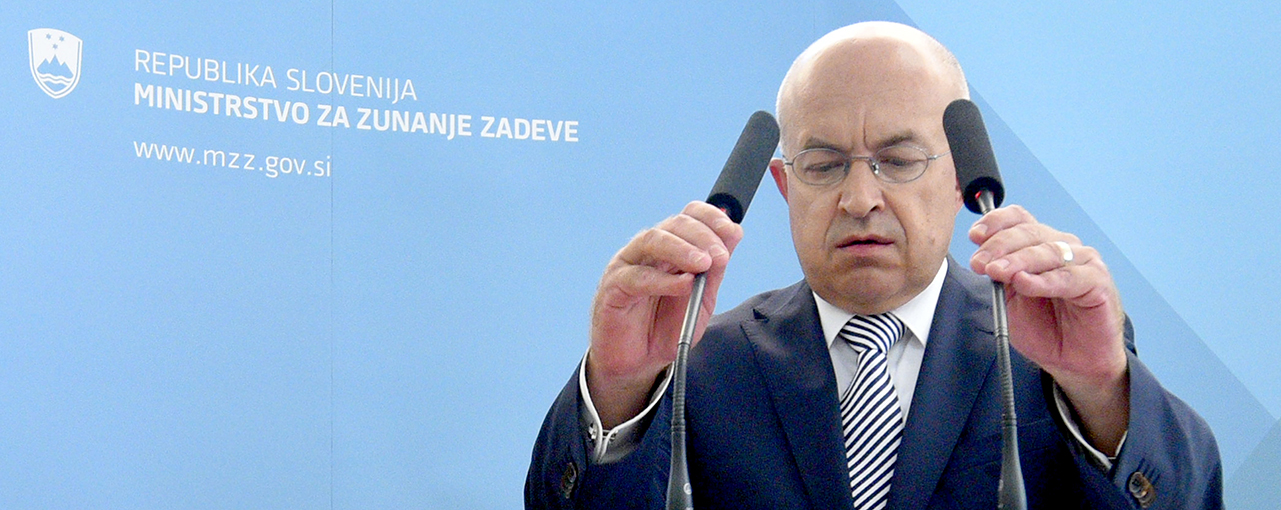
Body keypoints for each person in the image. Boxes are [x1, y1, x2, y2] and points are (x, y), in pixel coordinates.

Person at [526, 21, 1221, 510]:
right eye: (824, 164)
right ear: (785, 187)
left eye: (898, 159)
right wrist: (618, 387)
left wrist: (1101, 387)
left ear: (959, 177)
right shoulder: (699, 361)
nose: (860, 199)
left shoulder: (1051, 347)